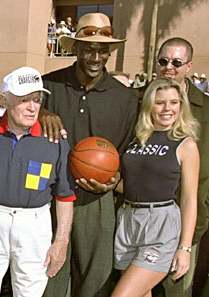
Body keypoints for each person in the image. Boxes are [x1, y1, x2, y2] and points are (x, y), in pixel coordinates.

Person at [41, 12, 139, 297]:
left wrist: (114, 180)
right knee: (50, 278)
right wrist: (42, 111)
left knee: (94, 281)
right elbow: (16, 111)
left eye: (102, 50)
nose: (96, 57)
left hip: (96, 199)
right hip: (50, 196)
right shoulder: (47, 86)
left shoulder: (125, 99)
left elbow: (129, 153)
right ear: (75, 49)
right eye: (89, 49)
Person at [0, 66, 75, 297]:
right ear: (4, 100)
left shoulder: (55, 139)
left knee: (30, 292)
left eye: (36, 99)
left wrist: (61, 240)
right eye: (24, 100)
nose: (33, 107)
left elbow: (64, 195)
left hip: (34, 223)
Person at [111, 77, 199, 297]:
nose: (167, 108)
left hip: (161, 224)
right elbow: (134, 184)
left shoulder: (185, 145)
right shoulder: (136, 139)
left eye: (174, 102)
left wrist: (185, 248)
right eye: (160, 102)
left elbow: (189, 199)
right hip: (128, 220)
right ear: (149, 104)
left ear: (181, 105)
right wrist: (111, 184)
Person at [155, 37, 209, 297]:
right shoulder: (137, 103)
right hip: (145, 222)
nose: (169, 67)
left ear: (189, 66)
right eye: (163, 61)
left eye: (176, 62)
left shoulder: (207, 110)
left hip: (189, 223)